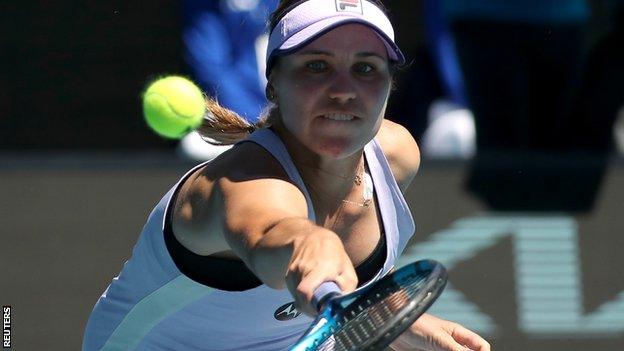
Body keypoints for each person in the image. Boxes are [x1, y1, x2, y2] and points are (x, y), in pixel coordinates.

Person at [83, 0, 491, 350]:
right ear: (273, 83)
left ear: (389, 84)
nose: (343, 89)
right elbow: (272, 232)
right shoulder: (242, 183)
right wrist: (308, 246)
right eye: (317, 66)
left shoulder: (397, 155)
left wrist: (397, 319)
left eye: (365, 69)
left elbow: (312, 305)